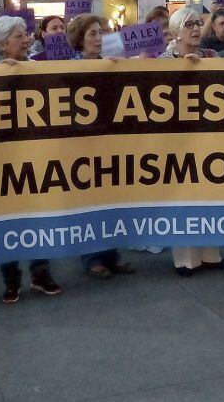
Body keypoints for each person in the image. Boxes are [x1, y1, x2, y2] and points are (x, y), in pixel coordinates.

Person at [0, 16, 63, 302]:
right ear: (2, 44)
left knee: (38, 214)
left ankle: (41, 273)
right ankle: (11, 278)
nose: (27, 39)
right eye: (19, 36)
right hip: (1, 158)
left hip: (35, 153)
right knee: (7, 219)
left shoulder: (37, 68)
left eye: (26, 34)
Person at [156, 8, 224, 275]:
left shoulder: (212, 56)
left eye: (198, 23)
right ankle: (186, 259)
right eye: (188, 25)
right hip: (178, 137)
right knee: (183, 195)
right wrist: (182, 69)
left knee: (210, 194)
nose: (196, 28)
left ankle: (211, 254)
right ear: (175, 32)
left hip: (208, 134)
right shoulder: (164, 60)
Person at [66, 14, 136, 278]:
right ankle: (92, 258)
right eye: (92, 34)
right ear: (80, 40)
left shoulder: (111, 61)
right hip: (84, 142)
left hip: (110, 139)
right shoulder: (71, 67)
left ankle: (112, 255)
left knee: (111, 199)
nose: (98, 38)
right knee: (90, 201)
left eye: (101, 33)